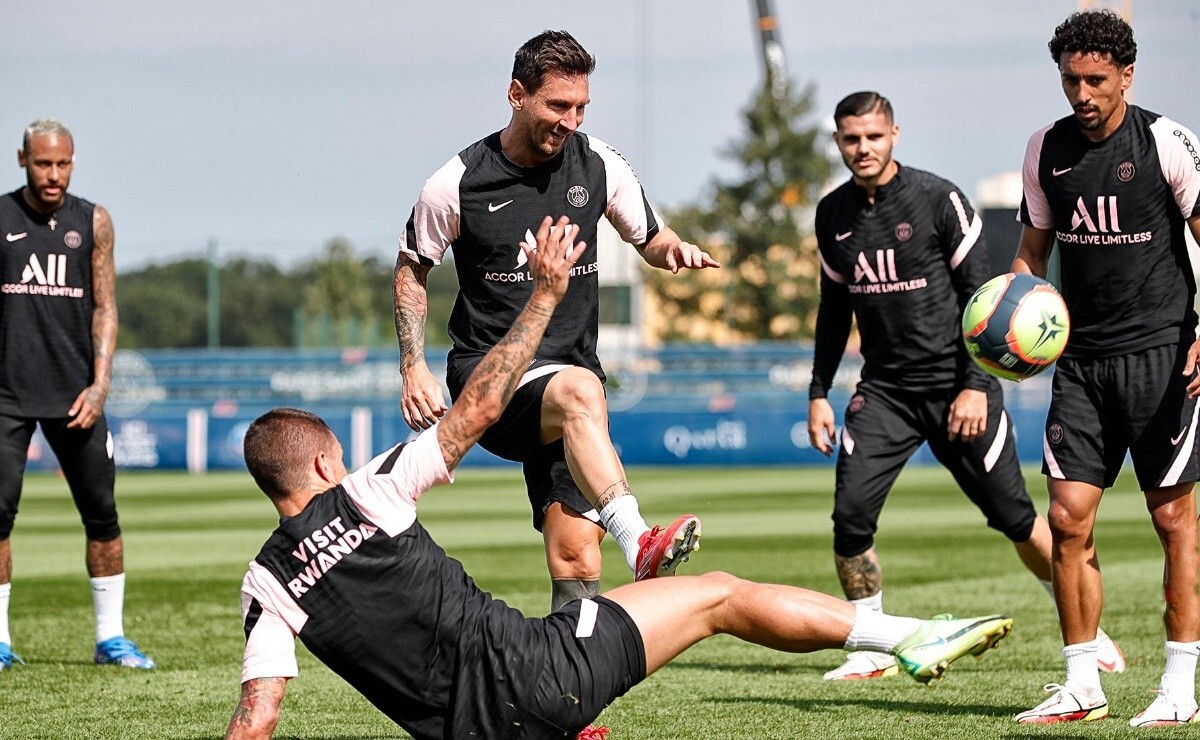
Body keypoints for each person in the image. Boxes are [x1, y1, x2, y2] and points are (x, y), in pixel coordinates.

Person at [226, 216, 1014, 740]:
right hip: (546, 676)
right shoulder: (368, 489)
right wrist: (544, 295)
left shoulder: (265, 584)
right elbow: (478, 408)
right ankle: (907, 637)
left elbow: (257, 720)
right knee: (719, 595)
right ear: (324, 463)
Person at [393, 30, 719, 612]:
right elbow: (412, 268)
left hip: (571, 389)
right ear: (517, 94)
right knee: (579, 389)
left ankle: (574, 670)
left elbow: (649, 236)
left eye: (581, 107)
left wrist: (674, 249)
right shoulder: (456, 183)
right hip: (490, 380)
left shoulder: (599, 164)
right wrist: (412, 365)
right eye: (557, 105)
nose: (570, 121)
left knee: (576, 555)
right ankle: (640, 542)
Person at [807, 92, 1124, 682]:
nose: (863, 148)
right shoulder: (831, 214)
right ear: (838, 142)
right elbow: (833, 310)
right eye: (851, 139)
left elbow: (987, 294)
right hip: (885, 392)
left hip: (960, 387)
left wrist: (975, 385)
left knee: (1016, 518)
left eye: (873, 136)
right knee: (849, 518)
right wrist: (819, 391)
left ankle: (1089, 627)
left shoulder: (937, 199)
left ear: (894, 134)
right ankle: (872, 645)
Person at [1010, 11, 1200, 727]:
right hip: (1082, 363)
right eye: (1071, 80)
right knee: (1066, 520)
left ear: (1127, 74)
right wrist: (1012, 317)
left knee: (1173, 518)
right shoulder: (1045, 148)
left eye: (1096, 79)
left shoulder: (1166, 141)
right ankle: (1082, 684)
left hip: (1164, 357)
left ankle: (1177, 690)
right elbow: (1031, 254)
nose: (1082, 94)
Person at [0, 118, 154, 670]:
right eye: (43, 163)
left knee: (102, 516)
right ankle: (0, 642)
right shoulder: (1, 217)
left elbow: (105, 306)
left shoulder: (93, 221)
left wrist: (100, 384)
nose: (54, 175)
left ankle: (111, 639)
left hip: (77, 397)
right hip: (6, 397)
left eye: (63, 163)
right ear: (23, 159)